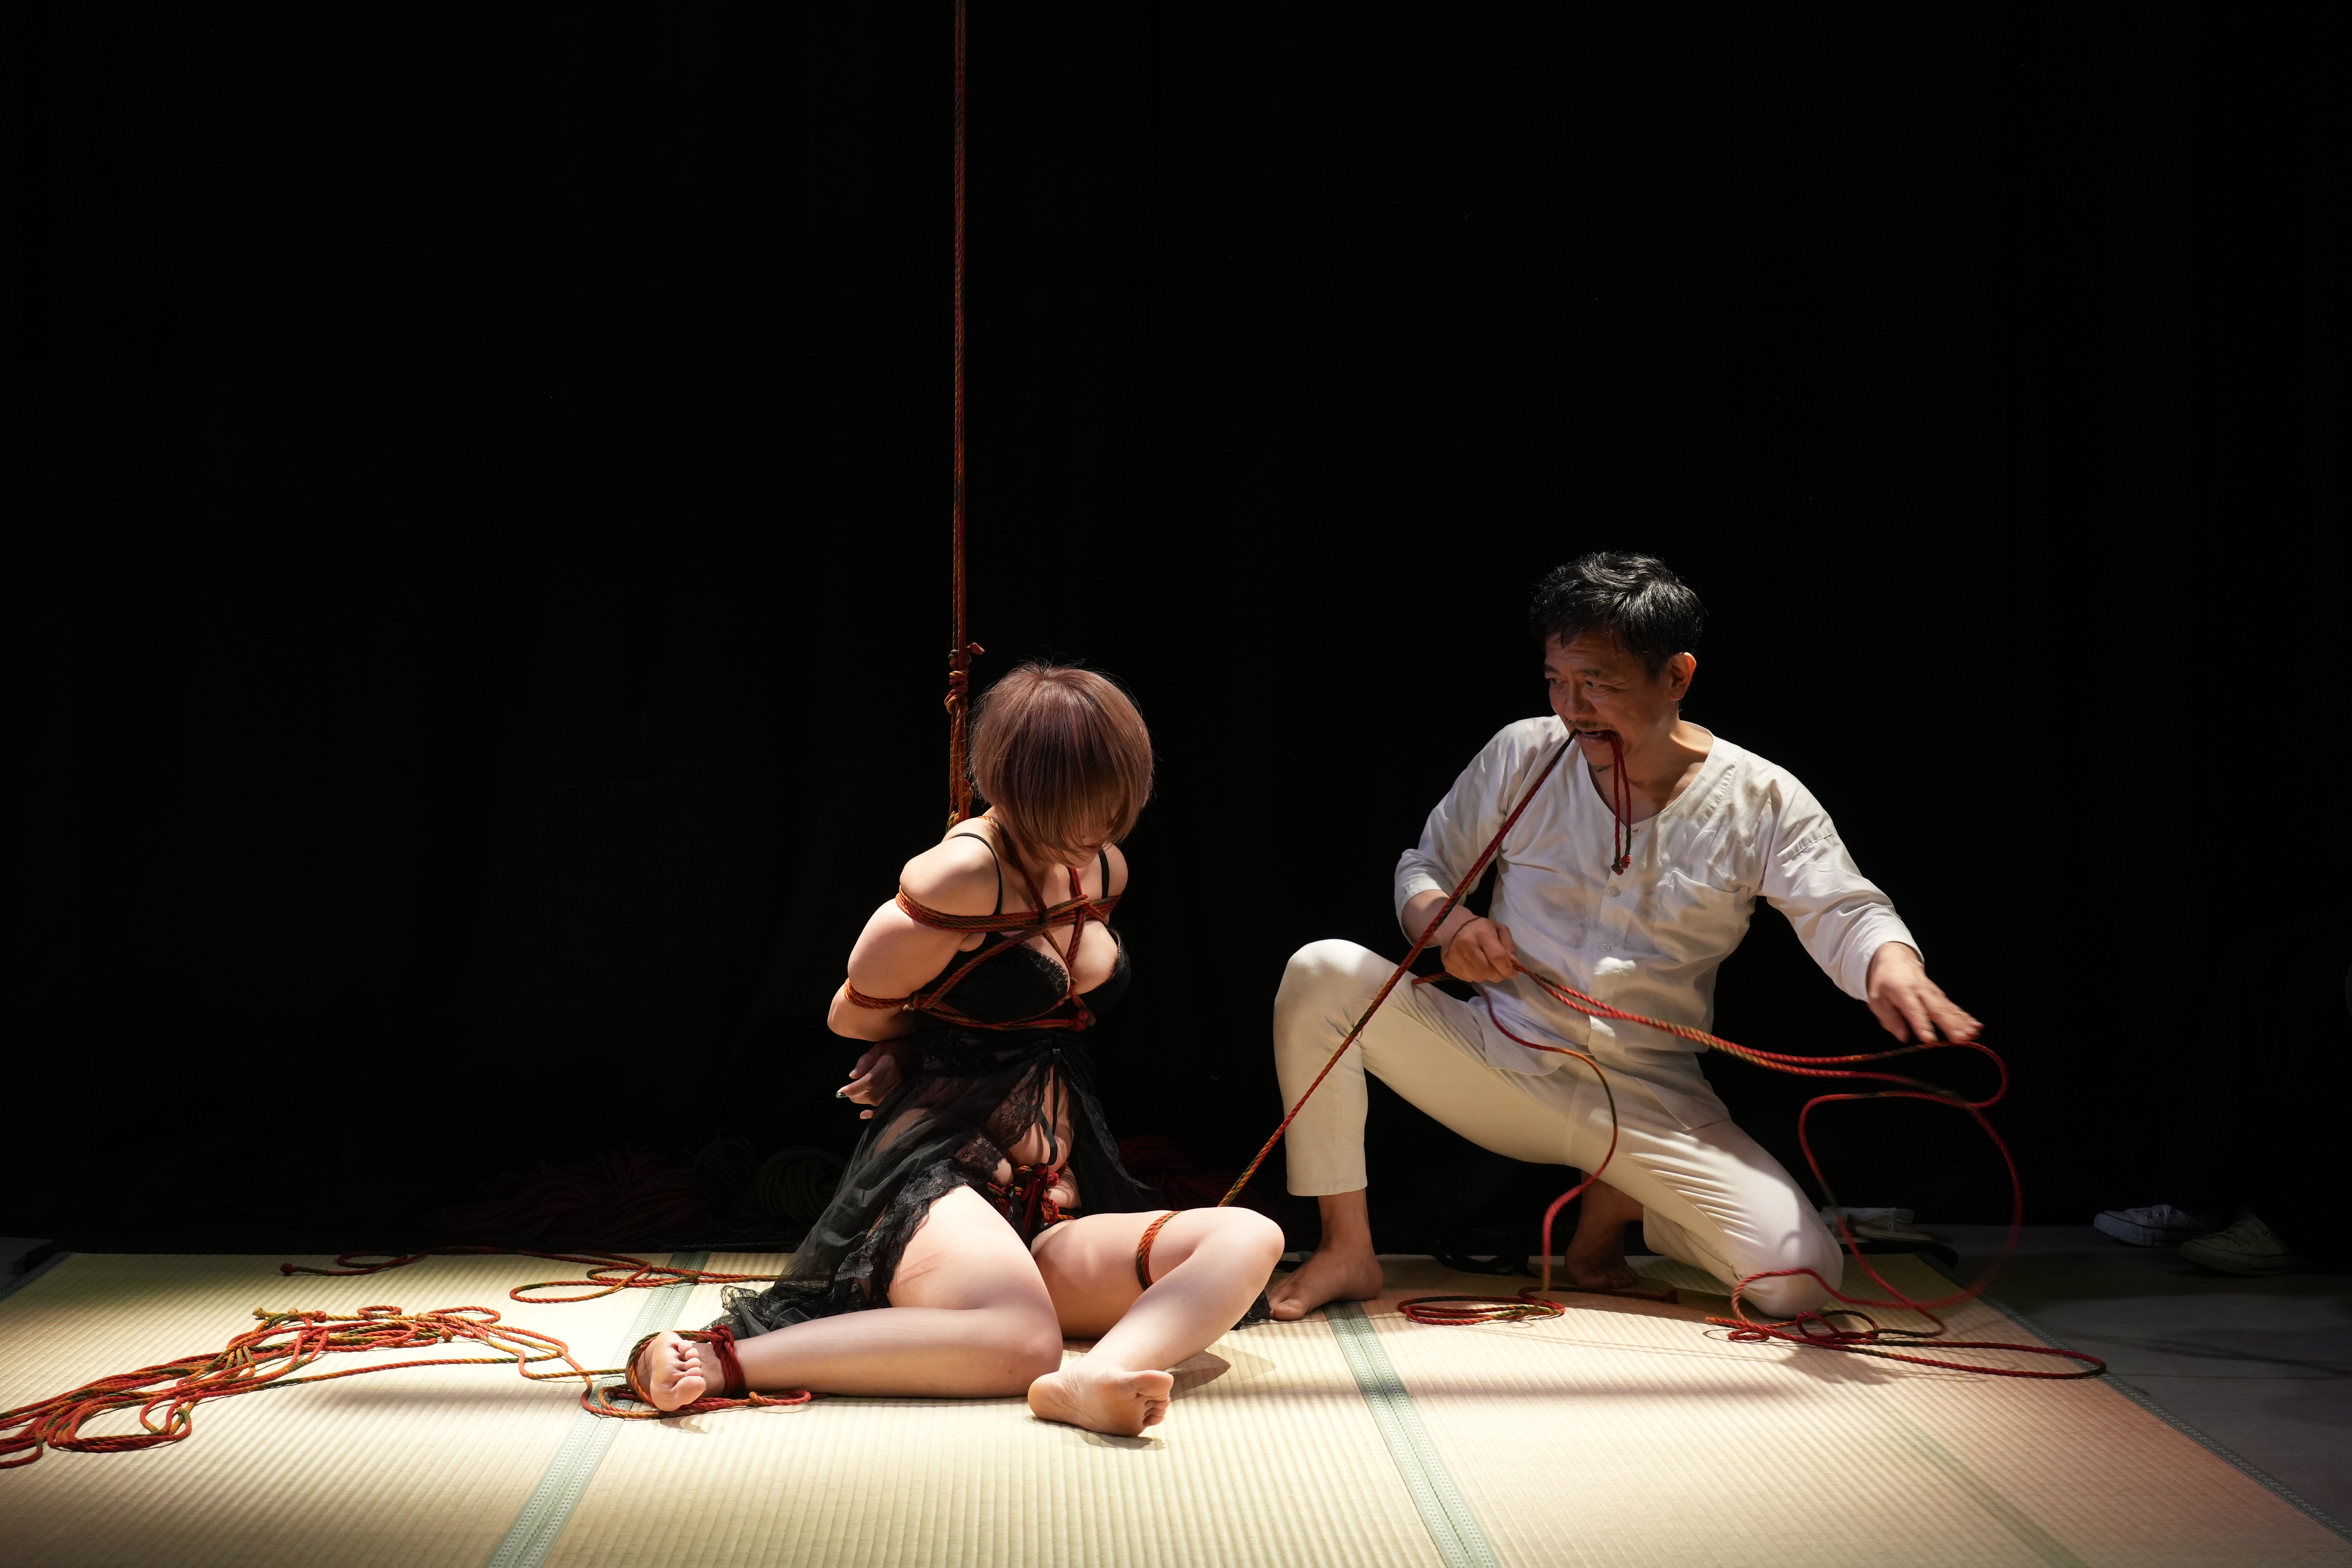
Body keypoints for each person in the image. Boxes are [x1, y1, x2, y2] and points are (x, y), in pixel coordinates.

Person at [1266, 553, 1981, 1321]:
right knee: (1322, 971)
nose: (1574, 708)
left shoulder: (1761, 796)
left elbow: (1842, 907)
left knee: (1797, 1280)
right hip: (1502, 1058)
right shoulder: (1524, 752)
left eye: (1599, 683)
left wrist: (1892, 967)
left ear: (1676, 676)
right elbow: (1425, 869)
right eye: (1557, 681)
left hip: (1649, 1096)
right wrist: (1453, 925)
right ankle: (1347, 1249)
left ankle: (1617, 1206)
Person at [630, 664, 1283, 1436]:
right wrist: (913, 1048)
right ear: (1019, 786)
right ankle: (718, 1363)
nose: (1096, 826)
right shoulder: (964, 875)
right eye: (1077, 805)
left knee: (1249, 1234)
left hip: (1045, 1201)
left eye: (1113, 804)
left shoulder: (1102, 864)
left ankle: (1097, 1375)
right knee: (1022, 1344)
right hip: (940, 1179)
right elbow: (850, 1012)